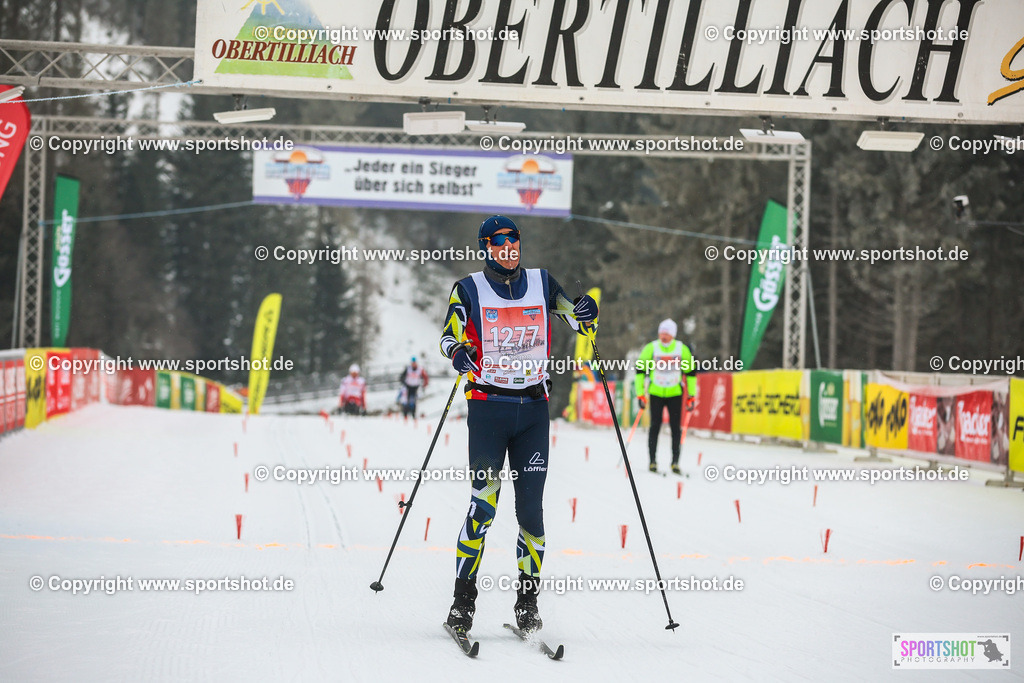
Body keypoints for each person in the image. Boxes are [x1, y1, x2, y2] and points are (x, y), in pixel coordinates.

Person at [438, 215, 598, 637]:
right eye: (498, 244)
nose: (508, 250)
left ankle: (528, 604)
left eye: (513, 243)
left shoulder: (543, 283)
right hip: (489, 409)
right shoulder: (469, 288)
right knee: (483, 509)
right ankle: (462, 603)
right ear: (486, 248)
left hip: (532, 413)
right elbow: (448, 336)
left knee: (531, 513)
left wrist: (588, 312)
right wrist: (458, 354)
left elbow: (578, 320)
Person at [634, 319, 697, 475]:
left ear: (673, 334)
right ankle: (652, 461)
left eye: (667, 333)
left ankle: (675, 462)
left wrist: (691, 395)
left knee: (676, 428)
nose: (663, 335)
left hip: (675, 393)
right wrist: (640, 394)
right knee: (655, 426)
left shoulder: (681, 349)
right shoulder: (652, 348)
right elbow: (640, 371)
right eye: (661, 332)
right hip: (656, 393)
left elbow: (690, 373)